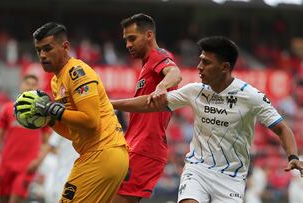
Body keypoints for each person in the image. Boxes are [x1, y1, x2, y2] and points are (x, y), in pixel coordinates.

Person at [110, 36, 303, 203]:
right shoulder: (195, 91)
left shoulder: (251, 96)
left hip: (231, 177)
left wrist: (293, 157)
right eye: (200, 60)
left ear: (225, 67)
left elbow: (282, 129)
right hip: (197, 169)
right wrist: (111, 104)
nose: (199, 67)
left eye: (206, 62)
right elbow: (149, 103)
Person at [14, 22, 129, 202]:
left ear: (65, 46)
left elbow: (90, 120)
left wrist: (53, 110)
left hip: (102, 152)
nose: (42, 55)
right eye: (38, 50)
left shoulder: (77, 73)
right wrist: (50, 121)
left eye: (48, 48)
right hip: (99, 154)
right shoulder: (56, 81)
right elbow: (75, 132)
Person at [111, 13, 182, 203]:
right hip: (135, 145)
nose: (128, 45)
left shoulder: (159, 56)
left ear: (149, 35)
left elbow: (175, 73)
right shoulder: (146, 66)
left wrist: (162, 86)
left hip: (145, 148)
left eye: (132, 38)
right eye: (126, 40)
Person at [0, 74, 51, 203]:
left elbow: (47, 142)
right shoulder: (7, 109)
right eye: (27, 83)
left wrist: (38, 161)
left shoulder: (43, 113)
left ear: (38, 88)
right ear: (21, 85)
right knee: (2, 200)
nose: (30, 87)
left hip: (26, 166)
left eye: (34, 85)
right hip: (6, 164)